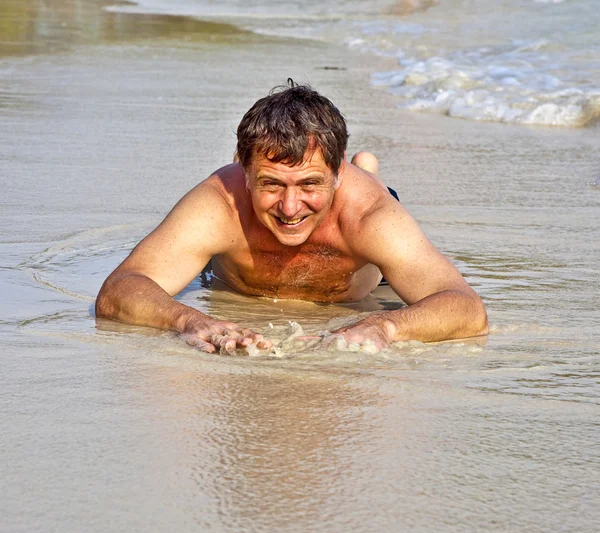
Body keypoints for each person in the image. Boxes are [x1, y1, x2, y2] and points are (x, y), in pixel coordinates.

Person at [95, 80, 488, 353]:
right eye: (270, 183)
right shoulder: (219, 204)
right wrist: (189, 320)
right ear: (243, 172)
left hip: (362, 245)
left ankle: (367, 169)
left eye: (310, 184)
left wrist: (384, 326)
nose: (289, 207)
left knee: (377, 202)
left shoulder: (371, 216)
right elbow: (118, 291)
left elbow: (467, 310)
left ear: (337, 177)